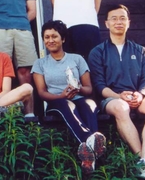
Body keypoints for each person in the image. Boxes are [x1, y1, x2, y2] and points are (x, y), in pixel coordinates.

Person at [89, 4, 145, 179]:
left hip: (137, 96)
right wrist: (118, 96)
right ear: (106, 23)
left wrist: (141, 94)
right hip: (112, 99)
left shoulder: (140, 51)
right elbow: (99, 85)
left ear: (128, 23)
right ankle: (141, 160)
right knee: (121, 108)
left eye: (122, 18)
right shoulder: (97, 52)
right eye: (114, 18)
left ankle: (144, 161)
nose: (118, 22)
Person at [32, 20, 105, 174]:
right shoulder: (40, 63)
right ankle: (90, 140)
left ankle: (88, 158)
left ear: (63, 39)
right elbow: (42, 92)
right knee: (67, 105)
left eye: (54, 36)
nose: (50, 40)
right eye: (46, 37)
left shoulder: (77, 59)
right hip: (56, 103)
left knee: (89, 104)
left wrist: (78, 89)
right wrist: (61, 95)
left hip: (79, 98)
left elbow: (88, 88)